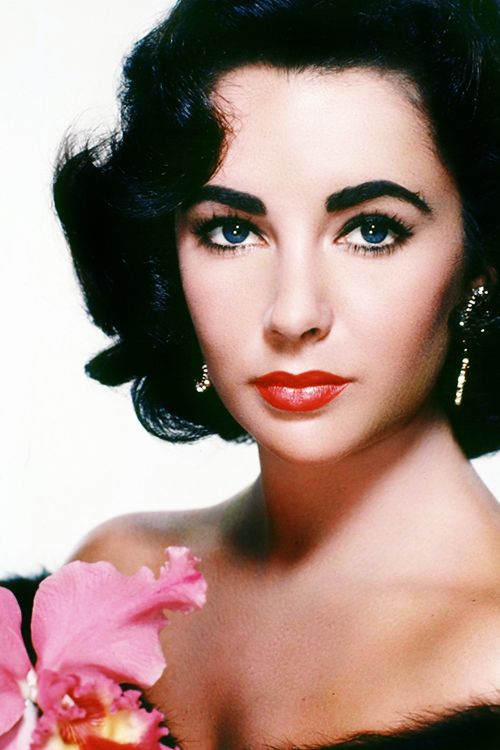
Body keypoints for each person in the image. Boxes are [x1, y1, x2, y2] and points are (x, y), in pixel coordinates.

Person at [53, 0, 500, 747]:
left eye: (371, 231)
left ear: (478, 269)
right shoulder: (115, 588)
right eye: (232, 231)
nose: (294, 314)